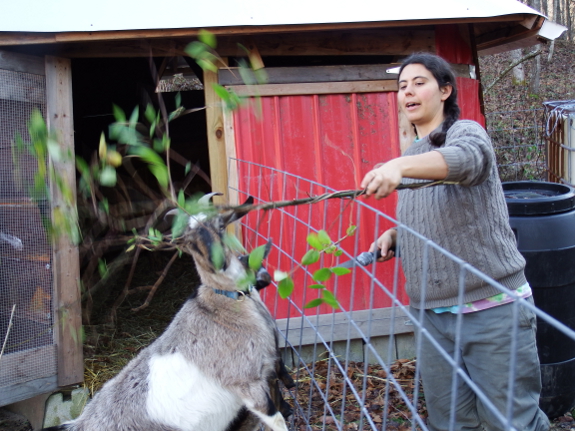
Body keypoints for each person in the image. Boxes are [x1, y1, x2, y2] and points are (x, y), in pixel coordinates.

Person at [360, 53, 549, 431]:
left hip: (492, 311)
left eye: (419, 82)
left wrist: (396, 168)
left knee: (511, 423)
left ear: (445, 90)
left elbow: (467, 162)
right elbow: (436, 215)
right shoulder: (412, 157)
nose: (408, 91)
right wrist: (397, 235)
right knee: (451, 423)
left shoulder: (467, 132)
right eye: (402, 86)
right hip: (433, 319)